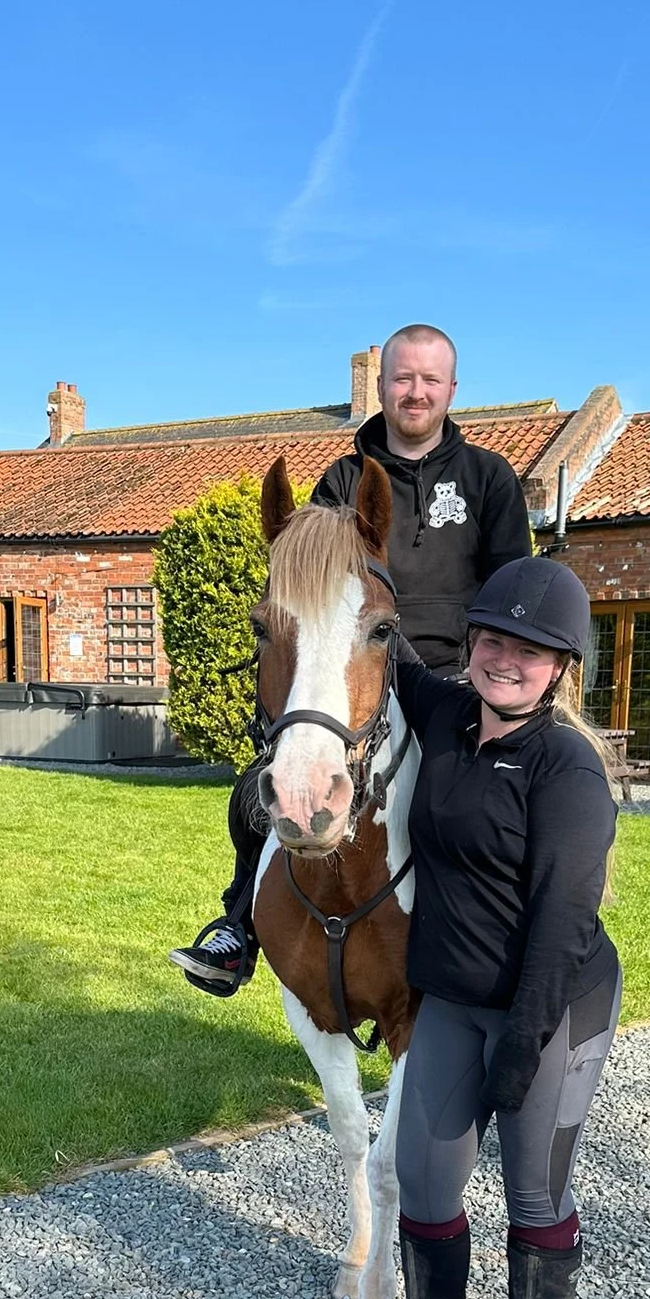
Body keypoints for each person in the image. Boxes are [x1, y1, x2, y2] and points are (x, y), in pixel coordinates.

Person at [168, 324, 532, 994]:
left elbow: (514, 592)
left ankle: (514, 946)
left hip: (454, 683)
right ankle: (237, 927)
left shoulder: (489, 480)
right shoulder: (341, 479)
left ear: (452, 389)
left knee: (492, 804)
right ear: (382, 384)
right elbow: (315, 596)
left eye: (429, 379)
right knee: (258, 788)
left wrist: (490, 680)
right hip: (358, 676)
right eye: (402, 377)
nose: (415, 391)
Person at [351, 555, 620, 1299]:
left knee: (534, 1192)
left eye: (531, 650)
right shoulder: (446, 711)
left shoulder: (567, 771)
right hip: (452, 998)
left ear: (559, 669)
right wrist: (359, 552)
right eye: (494, 638)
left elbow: (563, 923)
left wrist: (519, 1047)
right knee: (426, 1181)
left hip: (551, 1001)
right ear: (473, 640)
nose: (507, 659)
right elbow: (381, 650)